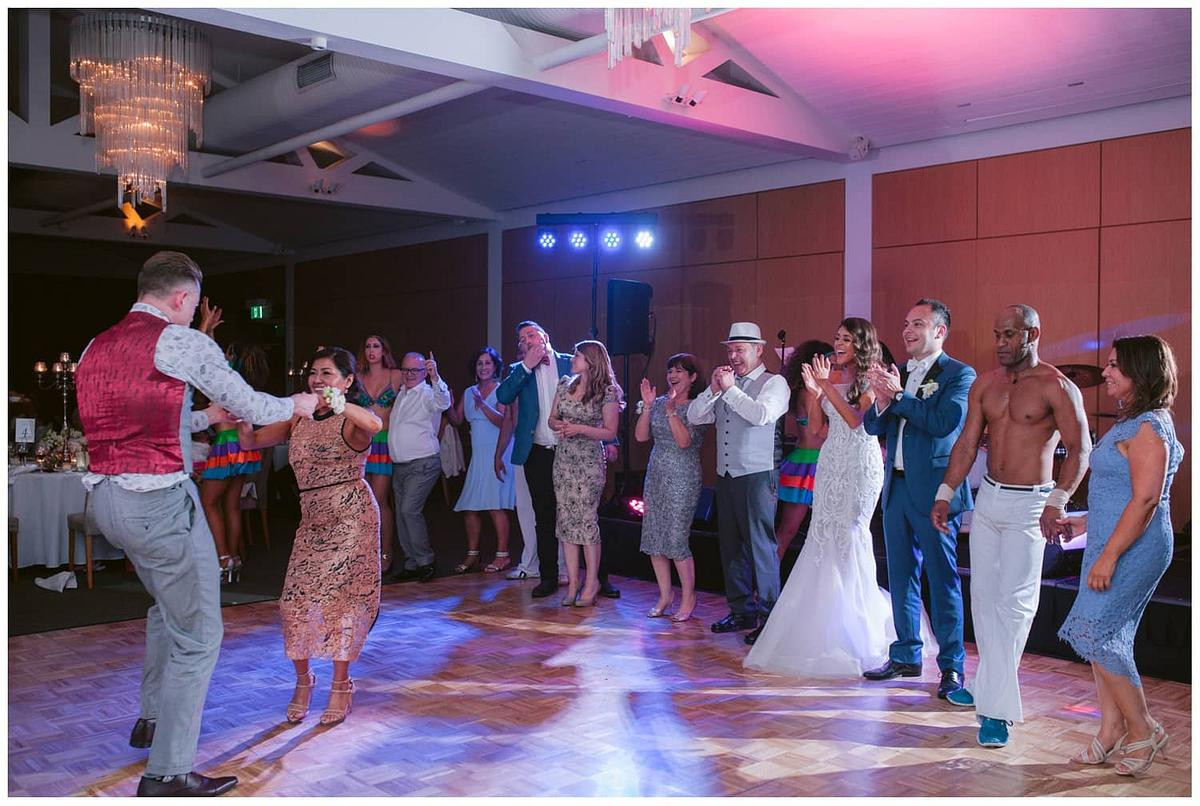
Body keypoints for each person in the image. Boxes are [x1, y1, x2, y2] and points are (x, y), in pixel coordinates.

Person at [76, 250, 317, 796]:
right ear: (182, 298)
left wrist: (205, 418)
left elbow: (137, 416)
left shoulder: (97, 345)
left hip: (108, 502)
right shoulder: (181, 340)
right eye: (192, 305)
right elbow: (254, 403)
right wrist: (298, 403)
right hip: (158, 502)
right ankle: (167, 773)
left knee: (167, 606)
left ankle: (152, 717)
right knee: (200, 636)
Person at [932, 304, 1091, 749]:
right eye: (997, 334)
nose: (1000, 342)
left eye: (1009, 335)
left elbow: (1080, 449)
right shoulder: (986, 383)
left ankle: (996, 709)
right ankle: (991, 694)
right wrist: (946, 493)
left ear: (1033, 333)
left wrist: (1057, 501)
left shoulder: (1057, 386)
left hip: (1032, 506)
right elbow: (967, 442)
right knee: (983, 600)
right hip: (989, 499)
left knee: (1016, 604)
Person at [1056, 335, 1182, 776]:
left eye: (1114, 366)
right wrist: (1086, 523)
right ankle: (1111, 730)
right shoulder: (1133, 422)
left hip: (1134, 547)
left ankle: (1144, 729)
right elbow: (1122, 494)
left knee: (1096, 632)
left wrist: (1108, 555)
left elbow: (1147, 500)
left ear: (1141, 373)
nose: (1104, 372)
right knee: (1105, 637)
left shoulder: (1149, 427)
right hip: (1110, 539)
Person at [746, 318, 901, 673]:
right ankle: (817, 623)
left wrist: (825, 387)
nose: (838, 343)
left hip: (861, 464)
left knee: (849, 535)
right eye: (837, 337)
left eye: (846, 338)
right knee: (822, 535)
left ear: (862, 343)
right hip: (830, 463)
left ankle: (857, 626)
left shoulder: (872, 378)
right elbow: (816, 431)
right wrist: (815, 395)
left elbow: (854, 420)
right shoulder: (829, 379)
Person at [241, 347, 382, 727]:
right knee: (293, 603)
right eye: (313, 372)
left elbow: (374, 425)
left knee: (341, 606)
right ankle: (303, 682)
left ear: (348, 381)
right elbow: (251, 443)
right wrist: (238, 410)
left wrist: (339, 403)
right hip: (312, 522)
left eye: (327, 373)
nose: (317, 379)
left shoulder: (349, 419)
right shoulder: (299, 419)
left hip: (352, 518)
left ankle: (341, 685)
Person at [861, 299, 977, 699]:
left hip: (935, 493)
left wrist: (899, 397)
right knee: (900, 576)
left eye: (918, 324)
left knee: (943, 580)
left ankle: (951, 667)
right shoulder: (902, 372)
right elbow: (873, 426)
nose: (908, 330)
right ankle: (907, 654)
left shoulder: (959, 374)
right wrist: (881, 399)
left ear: (940, 331)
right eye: (906, 323)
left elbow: (945, 422)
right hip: (895, 490)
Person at [688, 322, 789, 641]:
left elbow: (761, 415)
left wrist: (730, 391)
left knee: (760, 545)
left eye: (740, 349)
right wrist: (713, 390)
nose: (733, 356)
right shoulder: (725, 383)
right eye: (730, 350)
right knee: (730, 546)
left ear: (759, 350)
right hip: (727, 474)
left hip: (758, 475)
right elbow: (695, 416)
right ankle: (741, 610)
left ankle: (770, 616)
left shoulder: (775, 383)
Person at [495, 321, 579, 599]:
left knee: (580, 514)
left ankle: (593, 578)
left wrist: (610, 441)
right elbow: (503, 396)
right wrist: (527, 366)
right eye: (522, 338)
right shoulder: (518, 371)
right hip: (538, 450)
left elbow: (598, 401)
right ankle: (549, 577)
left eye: (531, 334)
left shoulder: (571, 363)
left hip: (573, 449)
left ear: (545, 336)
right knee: (544, 516)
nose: (527, 340)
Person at [548, 340, 621, 607]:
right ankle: (573, 583)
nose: (573, 358)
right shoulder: (566, 383)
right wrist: (561, 425)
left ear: (591, 360)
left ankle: (592, 582)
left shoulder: (607, 392)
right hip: (564, 459)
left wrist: (580, 429)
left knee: (587, 521)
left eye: (577, 355)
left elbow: (610, 432)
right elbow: (551, 418)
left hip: (589, 461)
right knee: (566, 521)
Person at [636, 353, 708, 621]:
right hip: (656, 473)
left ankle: (689, 596)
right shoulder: (658, 403)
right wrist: (648, 406)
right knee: (654, 537)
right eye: (670, 371)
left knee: (677, 538)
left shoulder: (699, 407)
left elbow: (684, 442)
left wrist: (671, 412)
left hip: (683, 475)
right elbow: (641, 437)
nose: (672, 376)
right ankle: (665, 595)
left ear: (692, 377)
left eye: (679, 371)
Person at [199, 343, 269, 583]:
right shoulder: (243, 384)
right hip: (241, 442)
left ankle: (222, 558)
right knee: (231, 505)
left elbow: (206, 358)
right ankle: (234, 558)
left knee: (207, 502)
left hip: (226, 444)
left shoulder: (222, 380)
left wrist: (208, 333)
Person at [385, 351, 451, 583]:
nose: (409, 374)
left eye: (414, 370)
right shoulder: (403, 392)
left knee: (408, 511)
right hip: (401, 465)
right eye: (405, 370)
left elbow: (444, 402)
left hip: (423, 463)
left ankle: (426, 561)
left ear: (424, 372)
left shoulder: (427, 393)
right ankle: (412, 563)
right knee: (403, 515)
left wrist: (436, 378)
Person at [448, 347, 515, 573]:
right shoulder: (469, 392)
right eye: (479, 364)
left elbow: (504, 422)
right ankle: (473, 555)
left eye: (487, 363)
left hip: (498, 452)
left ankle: (503, 555)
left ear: (495, 366)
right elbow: (457, 420)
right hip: (478, 456)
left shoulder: (502, 390)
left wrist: (483, 405)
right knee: (470, 507)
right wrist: (447, 401)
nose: (483, 367)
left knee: (495, 505)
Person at [776, 340, 833, 558]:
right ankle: (765, 589)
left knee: (790, 530)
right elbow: (819, 430)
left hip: (810, 460)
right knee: (788, 530)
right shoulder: (810, 393)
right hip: (810, 463)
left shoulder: (806, 390)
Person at [356, 335, 405, 574]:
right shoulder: (357, 377)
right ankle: (367, 552)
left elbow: (416, 391)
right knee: (363, 501)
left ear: (384, 350)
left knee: (379, 499)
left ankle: (386, 552)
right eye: (367, 346)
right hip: (363, 442)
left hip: (384, 442)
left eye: (376, 346)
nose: (371, 350)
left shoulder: (396, 375)